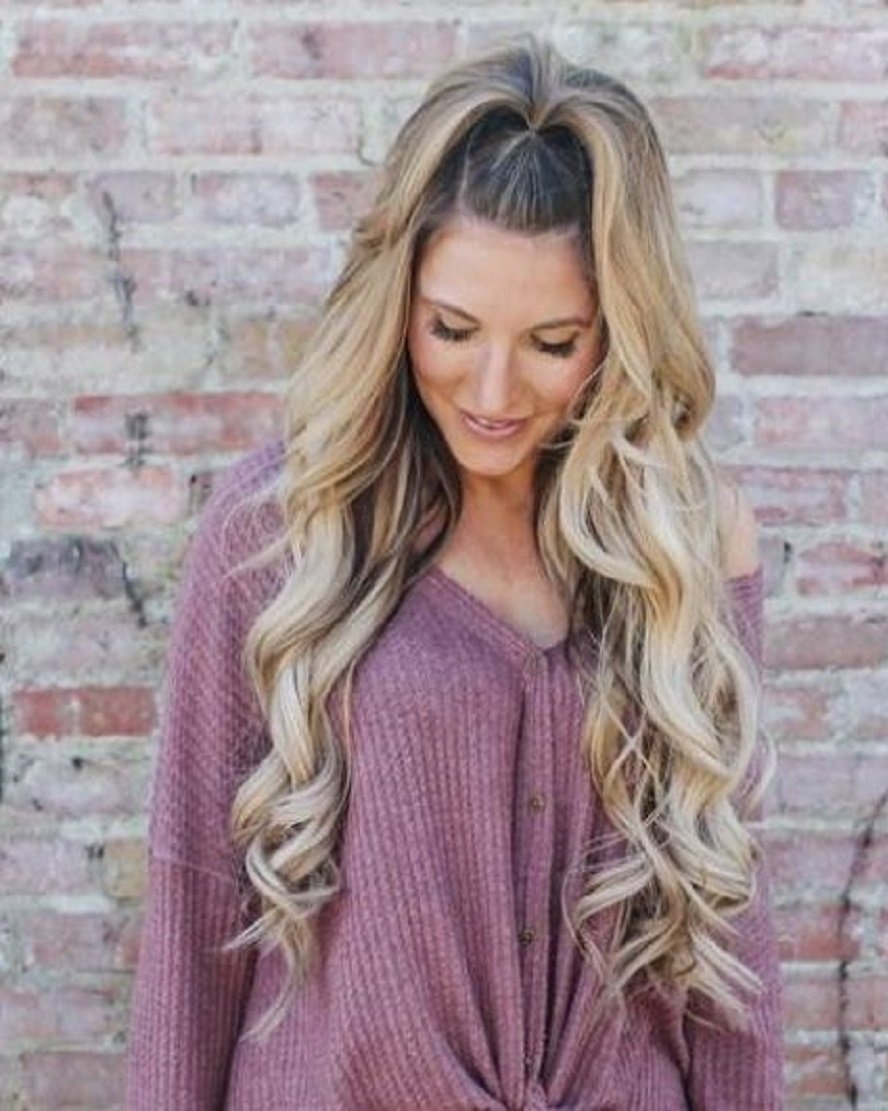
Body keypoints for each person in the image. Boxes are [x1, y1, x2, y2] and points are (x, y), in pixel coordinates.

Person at [125, 36, 783, 1110]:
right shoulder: (282, 531)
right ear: (399, 302)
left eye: (552, 342)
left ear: (618, 332)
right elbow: (195, 897)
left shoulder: (688, 540)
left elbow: (727, 928)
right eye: (453, 328)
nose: (491, 389)